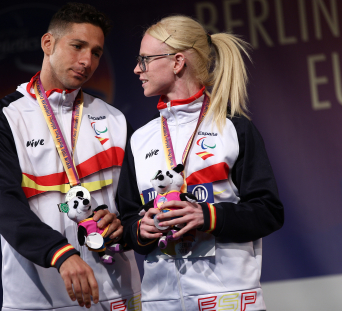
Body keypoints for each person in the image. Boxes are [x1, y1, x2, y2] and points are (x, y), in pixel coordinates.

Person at [0, 3, 140, 311]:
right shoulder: (6, 118)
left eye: (96, 52)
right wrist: (61, 254)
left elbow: (134, 208)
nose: (86, 61)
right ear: (48, 43)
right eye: (77, 46)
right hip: (38, 297)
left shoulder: (114, 119)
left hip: (117, 292)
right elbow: (6, 209)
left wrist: (123, 223)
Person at [118, 15, 284, 311]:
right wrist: (140, 230)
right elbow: (127, 220)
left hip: (226, 300)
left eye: (144, 60)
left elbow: (268, 211)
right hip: (161, 302)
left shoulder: (234, 128)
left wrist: (206, 216)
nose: (136, 69)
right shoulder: (139, 139)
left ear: (177, 62)